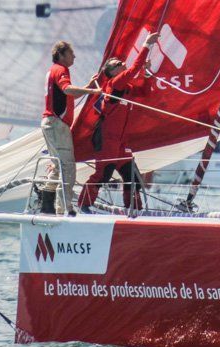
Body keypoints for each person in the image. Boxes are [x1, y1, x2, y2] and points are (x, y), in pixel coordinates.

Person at [76, 32, 158, 212]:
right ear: (111, 72)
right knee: (103, 174)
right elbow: (133, 69)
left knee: (133, 177)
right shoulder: (115, 84)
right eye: (117, 64)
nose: (121, 63)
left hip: (121, 142)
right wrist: (146, 45)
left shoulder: (126, 88)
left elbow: (145, 92)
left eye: (120, 62)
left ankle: (134, 209)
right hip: (107, 138)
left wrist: (146, 73)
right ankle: (83, 205)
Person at [42, 40, 97, 215]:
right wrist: (93, 92)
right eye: (71, 53)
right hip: (57, 125)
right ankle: (65, 209)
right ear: (61, 55)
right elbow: (67, 90)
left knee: (58, 166)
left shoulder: (53, 70)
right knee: (67, 167)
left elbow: (66, 94)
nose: (74, 56)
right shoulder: (61, 69)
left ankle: (47, 206)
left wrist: (87, 87)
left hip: (50, 124)